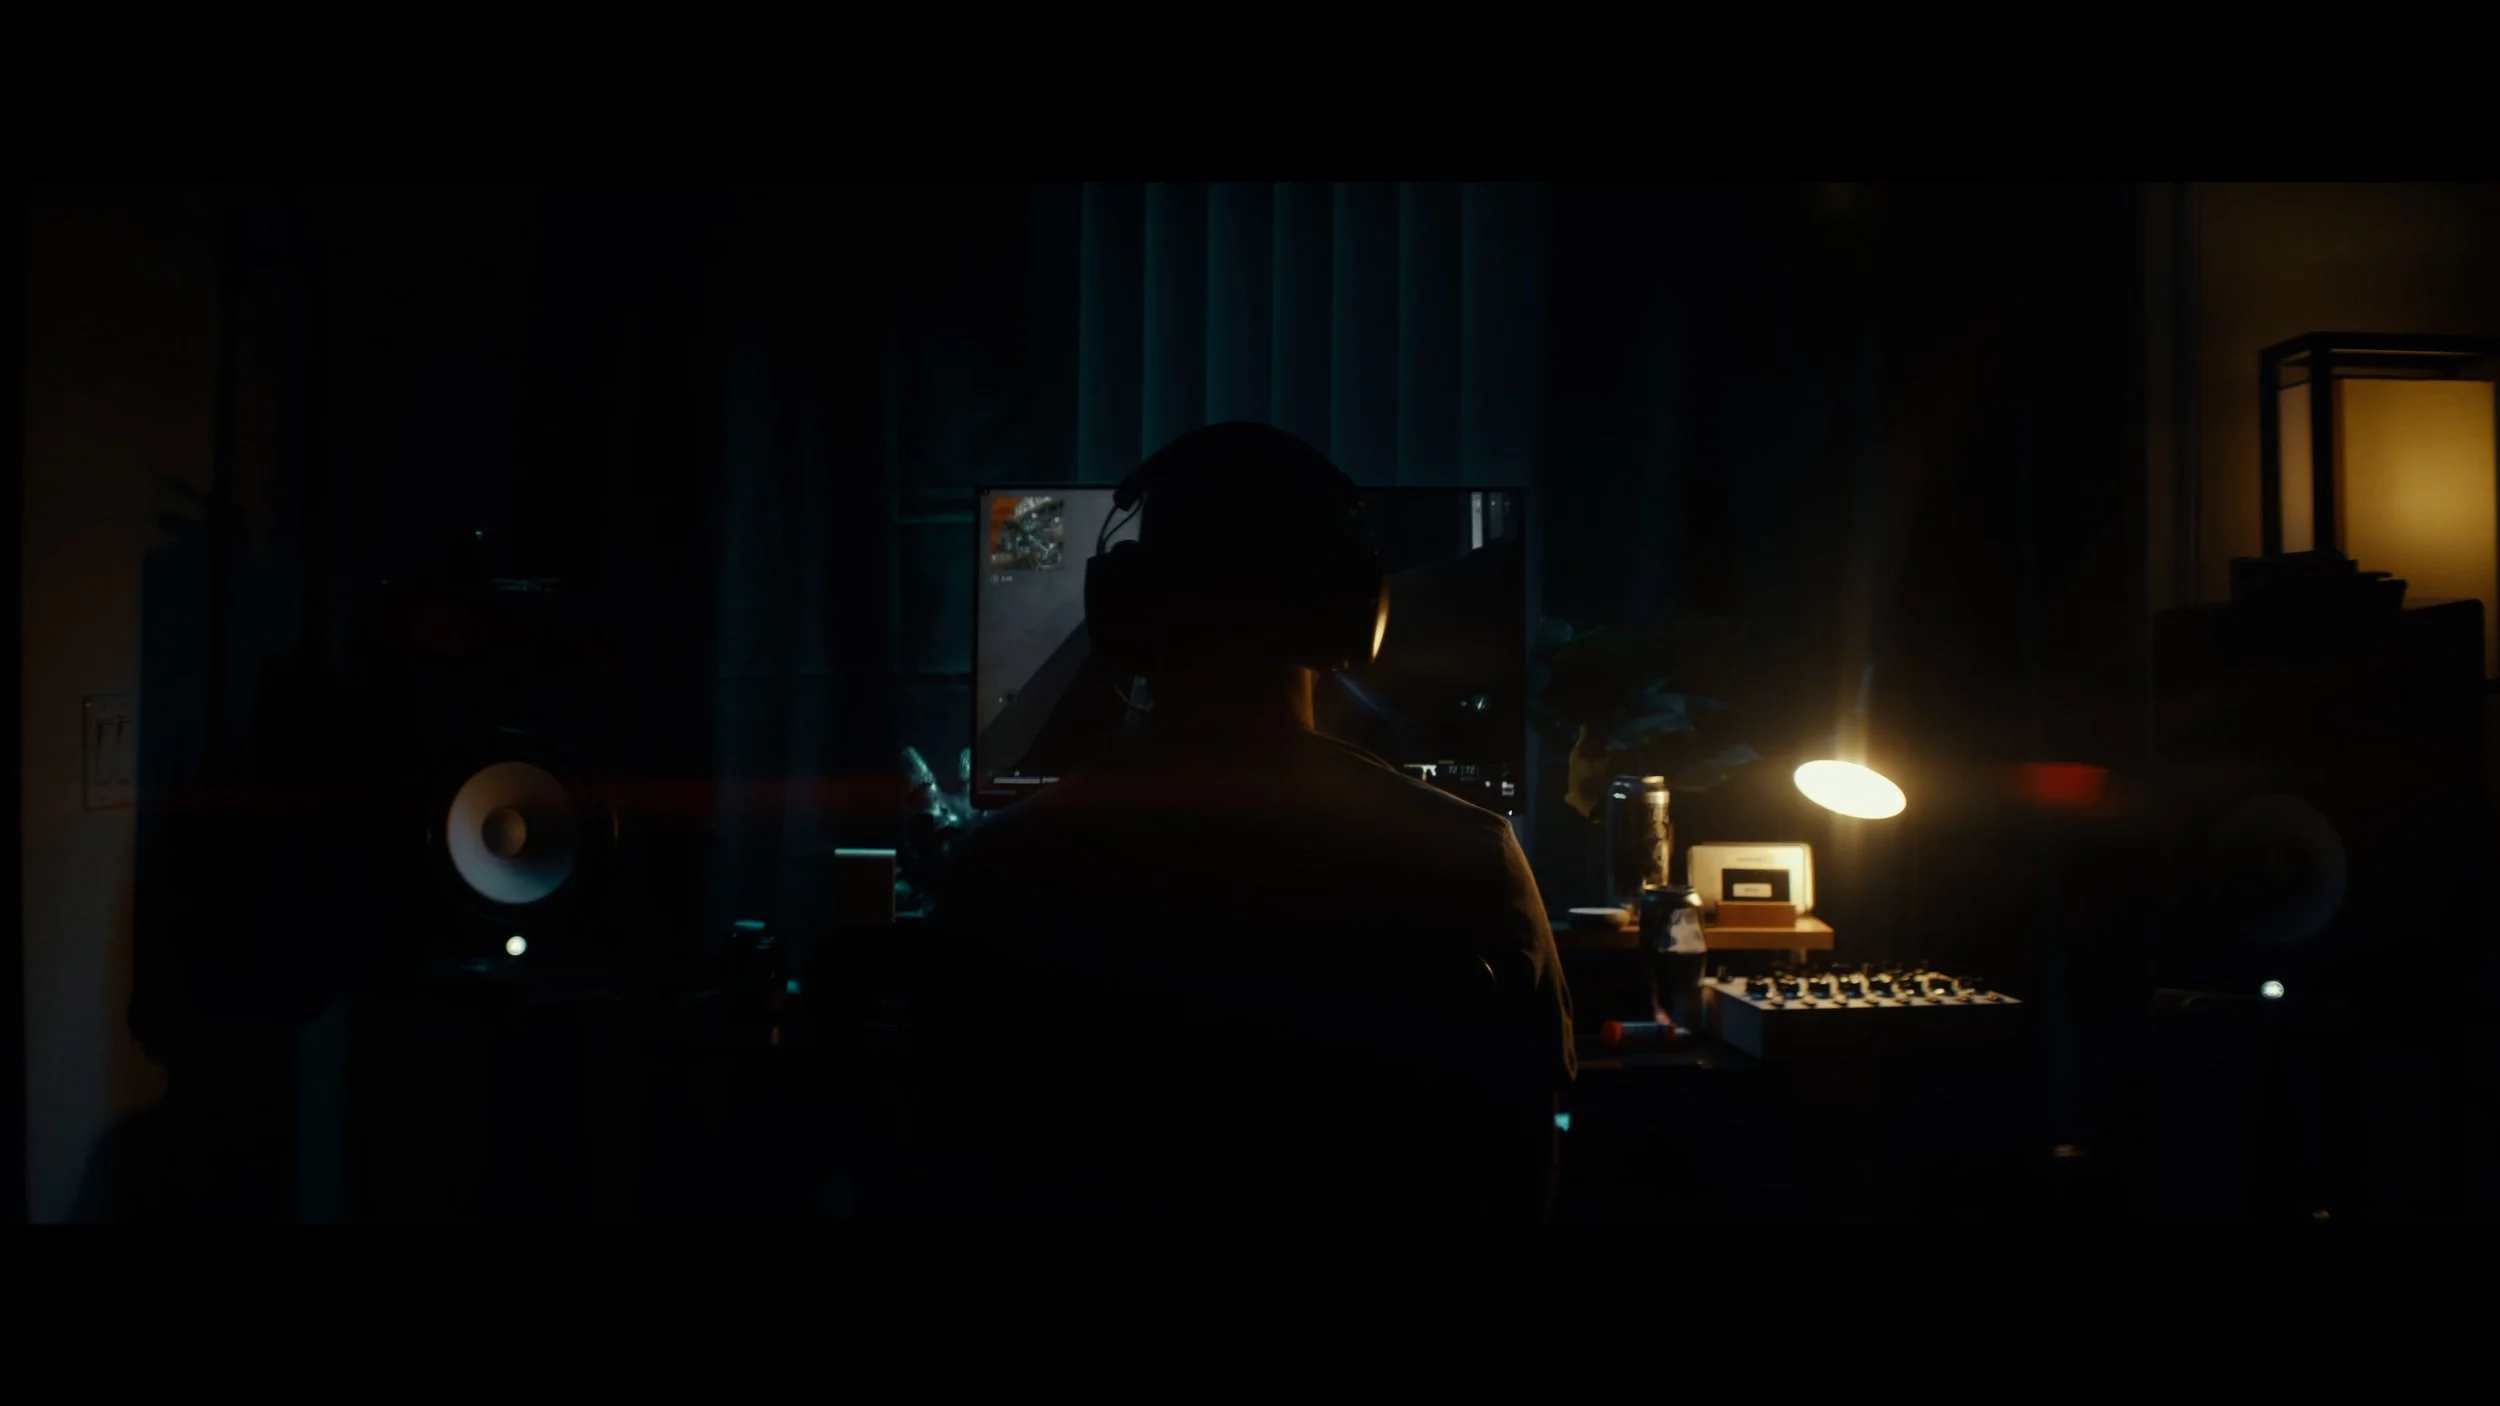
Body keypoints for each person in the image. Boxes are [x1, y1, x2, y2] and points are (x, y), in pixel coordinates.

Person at [922, 423, 1575, 1222]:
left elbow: (955, 1157)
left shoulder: (1003, 864)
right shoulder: (1469, 856)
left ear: (1122, 614)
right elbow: (1521, 1165)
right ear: (1351, 618)